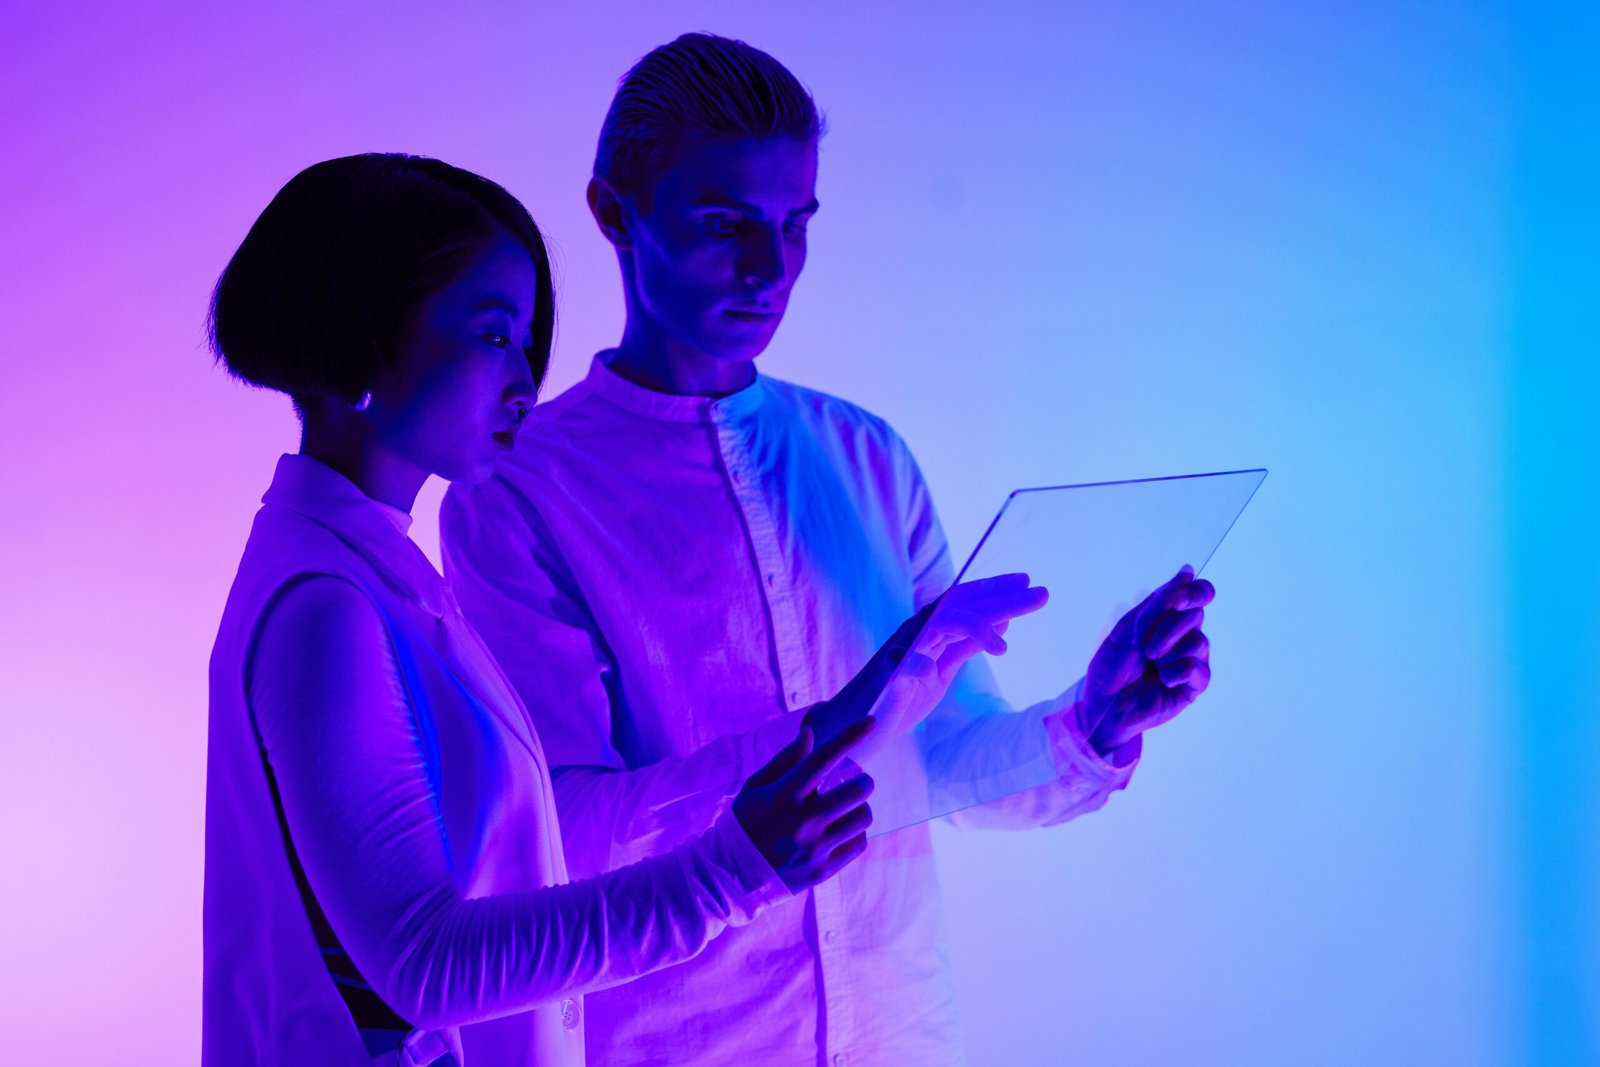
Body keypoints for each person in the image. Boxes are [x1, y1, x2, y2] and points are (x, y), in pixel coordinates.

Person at [441, 34, 1215, 1067]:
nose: (769, 268)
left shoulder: (867, 456)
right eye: (724, 225)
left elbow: (938, 758)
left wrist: (1095, 717)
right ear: (614, 212)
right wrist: (825, 731)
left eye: (794, 225)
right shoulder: (519, 490)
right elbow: (552, 827)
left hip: (897, 1034)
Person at [201, 152, 1023, 1066]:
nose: (524, 379)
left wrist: (824, 727)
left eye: (526, 340)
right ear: (361, 340)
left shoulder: (373, 570)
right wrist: (734, 870)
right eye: (492, 334)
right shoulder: (327, 604)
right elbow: (423, 965)